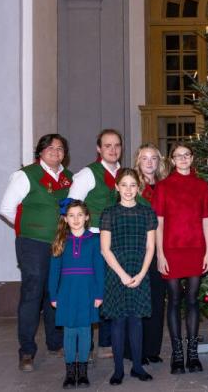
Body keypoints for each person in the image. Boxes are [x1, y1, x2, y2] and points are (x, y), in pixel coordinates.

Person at [0, 134, 72, 371]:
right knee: (32, 293)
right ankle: (27, 351)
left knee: (55, 292)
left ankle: (55, 343)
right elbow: (7, 209)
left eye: (60, 148)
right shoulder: (25, 175)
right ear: (40, 151)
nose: (55, 151)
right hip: (33, 244)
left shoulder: (68, 178)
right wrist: (30, 228)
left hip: (61, 243)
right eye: (50, 147)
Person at [151, 142, 208, 374]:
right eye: (178, 156)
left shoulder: (202, 186)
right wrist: (160, 253)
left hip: (196, 248)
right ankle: (177, 355)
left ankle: (193, 354)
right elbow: (158, 222)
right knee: (175, 300)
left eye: (186, 155)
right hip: (171, 249)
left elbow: (207, 221)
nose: (183, 158)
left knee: (192, 300)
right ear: (172, 160)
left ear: (192, 157)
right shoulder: (164, 187)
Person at [68, 129, 123, 360]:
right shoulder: (88, 174)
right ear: (99, 149)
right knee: (91, 290)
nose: (113, 149)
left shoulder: (123, 173)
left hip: (117, 239)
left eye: (117, 145)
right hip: (93, 238)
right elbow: (70, 206)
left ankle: (106, 342)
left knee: (110, 290)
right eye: (107, 145)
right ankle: (86, 345)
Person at [100, 168, 158, 385]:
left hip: (139, 271)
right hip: (117, 273)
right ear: (116, 187)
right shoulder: (109, 213)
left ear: (138, 187)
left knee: (136, 321)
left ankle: (137, 366)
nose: (128, 189)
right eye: (123, 185)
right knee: (118, 322)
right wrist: (123, 275)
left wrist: (142, 274)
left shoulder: (147, 213)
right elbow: (105, 249)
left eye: (132, 185)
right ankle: (117, 370)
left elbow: (150, 247)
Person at [48, 199, 104, 388]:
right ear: (65, 219)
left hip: (88, 292)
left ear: (87, 217)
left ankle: (83, 371)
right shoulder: (60, 241)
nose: (76, 219)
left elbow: (99, 269)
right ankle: (70, 373)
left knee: (85, 332)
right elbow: (54, 271)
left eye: (80, 215)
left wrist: (99, 294)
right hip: (67, 294)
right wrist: (54, 295)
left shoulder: (95, 240)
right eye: (71, 215)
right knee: (69, 333)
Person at [131, 143, 168, 364]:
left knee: (156, 299)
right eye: (144, 158)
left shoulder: (165, 185)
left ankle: (152, 349)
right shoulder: (131, 184)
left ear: (159, 161)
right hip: (138, 248)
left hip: (159, 248)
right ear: (138, 161)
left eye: (153, 158)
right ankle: (136, 350)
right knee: (138, 300)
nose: (149, 162)